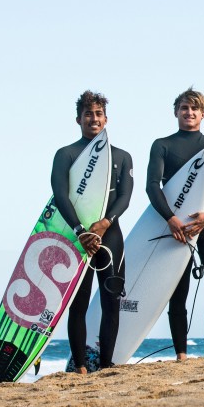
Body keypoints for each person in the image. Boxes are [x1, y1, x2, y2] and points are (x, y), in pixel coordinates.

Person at [147, 88, 204, 360]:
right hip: (176, 226)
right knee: (177, 291)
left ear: (203, 114)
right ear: (176, 112)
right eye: (184, 108)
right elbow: (152, 186)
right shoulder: (162, 145)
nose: (189, 113)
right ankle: (181, 353)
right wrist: (170, 218)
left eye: (194, 109)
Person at [57, 90, 133, 374]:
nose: (94, 118)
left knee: (111, 301)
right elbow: (60, 194)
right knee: (77, 303)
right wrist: (80, 230)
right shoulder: (66, 154)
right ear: (78, 119)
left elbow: (125, 196)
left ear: (106, 119)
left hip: (110, 236)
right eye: (88, 113)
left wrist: (105, 223)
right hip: (77, 239)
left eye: (99, 113)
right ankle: (79, 366)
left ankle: (105, 364)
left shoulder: (122, 157)